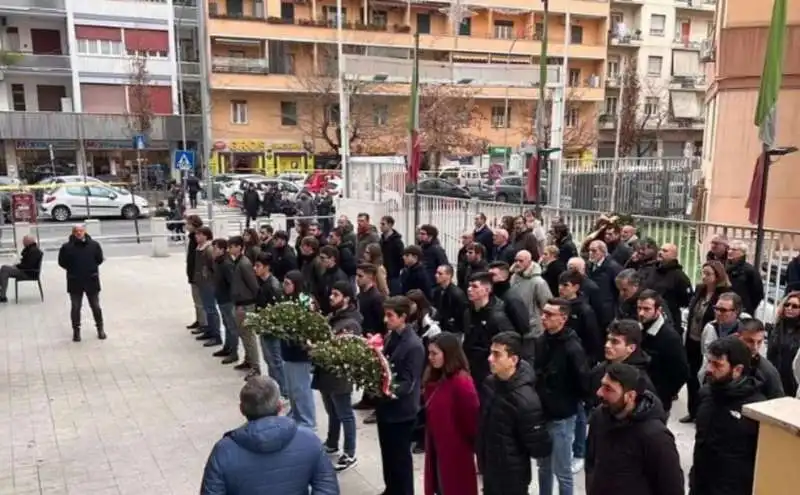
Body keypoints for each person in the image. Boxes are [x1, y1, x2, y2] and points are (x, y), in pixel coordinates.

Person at [200, 376, 339, 495]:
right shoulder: (309, 441)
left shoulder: (223, 451)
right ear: (279, 406)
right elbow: (327, 489)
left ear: (242, 410)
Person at [585, 363, 684, 495]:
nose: (599, 392)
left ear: (630, 396)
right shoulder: (599, 416)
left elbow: (671, 488)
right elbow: (591, 460)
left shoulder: (656, 437)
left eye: (608, 389)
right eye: (602, 385)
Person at [478, 331, 552, 495]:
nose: (490, 359)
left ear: (513, 360)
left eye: (497, 354)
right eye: (491, 353)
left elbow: (540, 447)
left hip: (512, 477)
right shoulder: (490, 383)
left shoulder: (526, 399)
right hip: (490, 468)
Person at [690, 336, 765, 495]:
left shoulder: (756, 408)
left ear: (737, 370)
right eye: (709, 361)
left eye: (717, 364)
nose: (709, 369)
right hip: (700, 486)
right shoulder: (706, 394)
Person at [534, 298, 591, 495]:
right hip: (542, 413)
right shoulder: (542, 341)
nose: (544, 318)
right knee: (543, 467)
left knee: (563, 470)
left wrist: (571, 402)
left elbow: (583, 380)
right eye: (544, 313)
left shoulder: (572, 347)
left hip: (562, 416)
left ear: (563, 318)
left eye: (549, 315)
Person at [376, 296, 426, 495]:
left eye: (390, 316)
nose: (386, 320)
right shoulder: (391, 336)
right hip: (386, 408)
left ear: (403, 317)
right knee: (388, 456)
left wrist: (386, 389)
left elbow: (409, 382)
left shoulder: (413, 345)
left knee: (400, 461)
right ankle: (391, 489)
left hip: (401, 412)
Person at [422, 332, 480, 495]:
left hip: (455, 451)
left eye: (435, 353)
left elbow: (471, 420)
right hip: (436, 445)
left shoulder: (461, 382)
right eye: (430, 353)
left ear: (448, 354)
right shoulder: (434, 376)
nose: (430, 358)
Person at [314, 281, 363, 472]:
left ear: (347, 298)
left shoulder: (351, 321)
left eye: (336, 294)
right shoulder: (335, 315)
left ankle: (350, 453)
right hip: (327, 371)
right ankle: (332, 442)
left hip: (340, 374)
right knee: (332, 410)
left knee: (345, 414)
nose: (331, 297)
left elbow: (343, 347)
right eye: (331, 294)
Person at [683, 260, 732, 423]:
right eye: (703, 273)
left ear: (718, 276)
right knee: (691, 376)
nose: (704, 277)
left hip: (709, 340)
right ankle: (693, 410)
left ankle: (704, 413)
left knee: (706, 376)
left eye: (708, 274)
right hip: (692, 338)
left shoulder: (724, 294)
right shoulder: (700, 290)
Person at [636, 290, 689, 417]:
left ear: (658, 310)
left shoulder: (670, 337)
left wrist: (665, 394)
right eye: (639, 308)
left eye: (647, 309)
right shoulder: (639, 329)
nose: (641, 313)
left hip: (658, 401)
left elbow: (682, 372)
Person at [587, 319, 657, 408]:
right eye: (608, 339)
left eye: (615, 342)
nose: (607, 345)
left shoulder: (640, 382)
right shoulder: (600, 369)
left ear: (631, 348)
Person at [463, 272, 516, 387]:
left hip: (489, 368)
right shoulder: (468, 312)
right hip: (471, 364)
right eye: (469, 286)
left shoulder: (497, 316)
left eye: (475, 286)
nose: (469, 289)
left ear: (487, 290)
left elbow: (510, 341)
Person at [279, 270, 316, 430]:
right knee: (292, 388)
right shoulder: (285, 300)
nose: (284, 286)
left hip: (300, 353)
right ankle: (295, 413)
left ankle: (307, 420)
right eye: (284, 283)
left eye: (288, 284)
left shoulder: (305, 301)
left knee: (301, 388)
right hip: (287, 351)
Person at [58, 224, 105, 342]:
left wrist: (91, 268)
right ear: (73, 233)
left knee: (95, 306)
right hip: (75, 280)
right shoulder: (67, 247)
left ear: (85, 232)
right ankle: (76, 332)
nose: (79, 233)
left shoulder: (94, 245)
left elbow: (99, 259)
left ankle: (100, 329)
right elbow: (62, 262)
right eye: (76, 231)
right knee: (75, 307)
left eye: (81, 231)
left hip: (91, 280)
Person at [728, 318, 784, 399]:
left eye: (759, 342)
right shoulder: (724, 360)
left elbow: (777, 402)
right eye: (750, 341)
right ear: (737, 337)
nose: (755, 347)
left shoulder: (768, 371)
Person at [230, 236, 262, 374]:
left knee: (249, 336)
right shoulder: (237, 262)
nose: (230, 249)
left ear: (239, 247)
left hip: (246, 304)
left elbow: (253, 285)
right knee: (243, 334)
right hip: (239, 303)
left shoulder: (244, 263)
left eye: (232, 246)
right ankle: (248, 360)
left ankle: (255, 366)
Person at [510, 250, 553, 337]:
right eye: (516, 260)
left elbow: (546, 305)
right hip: (515, 326)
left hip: (533, 330)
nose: (517, 263)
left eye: (521, 261)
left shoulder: (539, 282)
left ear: (529, 262)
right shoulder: (513, 278)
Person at [210, 238, 240, 364]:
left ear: (222, 250)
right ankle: (227, 347)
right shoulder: (218, 262)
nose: (213, 251)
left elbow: (233, 283)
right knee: (226, 325)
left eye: (215, 248)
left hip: (228, 300)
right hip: (221, 298)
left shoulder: (227, 264)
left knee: (232, 326)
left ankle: (234, 352)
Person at [767, 291, 800, 395]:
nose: (789, 308)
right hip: (774, 377)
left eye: (795, 306)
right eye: (787, 304)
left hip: (793, 381)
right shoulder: (775, 328)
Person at [725, 240, 764, 316]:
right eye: (729, 249)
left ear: (742, 253)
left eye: (734, 250)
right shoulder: (725, 267)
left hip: (742, 310)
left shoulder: (750, 270)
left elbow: (758, 293)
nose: (730, 252)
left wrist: (747, 307)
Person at [0, 235, 43, 302]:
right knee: (4, 270)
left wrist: (17, 266)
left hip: (27, 273)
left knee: (4, 269)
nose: (23, 243)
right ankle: (2, 294)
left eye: (24, 242)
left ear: (28, 242)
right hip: (26, 271)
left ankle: (2, 295)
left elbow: (28, 265)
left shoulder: (33, 251)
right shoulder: (32, 249)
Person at [431, 264, 468, 337]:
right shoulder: (437, 291)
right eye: (436, 273)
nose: (436, 275)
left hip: (453, 331)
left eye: (440, 274)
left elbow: (462, 315)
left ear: (449, 275)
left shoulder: (457, 294)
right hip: (441, 328)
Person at [185, 215, 207, 332]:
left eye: (188, 224)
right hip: (192, 273)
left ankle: (203, 324)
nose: (186, 226)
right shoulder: (192, 238)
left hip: (197, 275)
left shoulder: (197, 240)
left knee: (200, 301)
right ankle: (199, 320)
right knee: (196, 300)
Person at [315, 245, 349, 315]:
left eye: (322, 258)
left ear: (332, 259)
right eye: (319, 257)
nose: (320, 261)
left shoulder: (340, 277)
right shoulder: (325, 273)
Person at [379, 215, 405, 295]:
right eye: (380, 224)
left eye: (383, 224)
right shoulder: (381, 240)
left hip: (393, 276)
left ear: (390, 225)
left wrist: (394, 270)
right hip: (382, 274)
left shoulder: (397, 242)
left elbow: (401, 259)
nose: (381, 226)